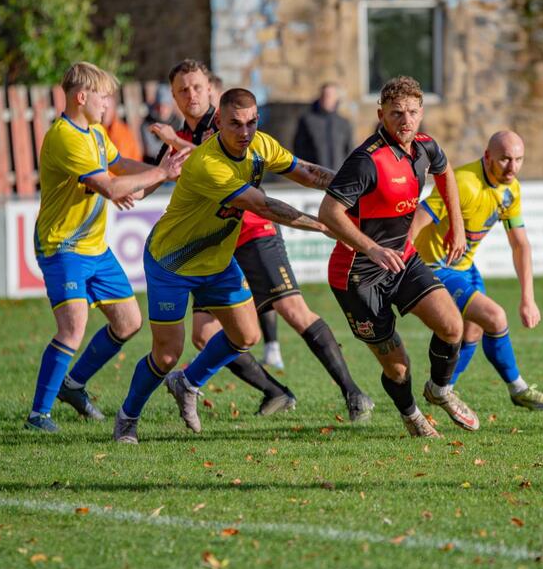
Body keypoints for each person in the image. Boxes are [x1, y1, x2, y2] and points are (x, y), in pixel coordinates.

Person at [112, 87, 341, 443]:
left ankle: (187, 383)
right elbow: (262, 205)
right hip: (172, 263)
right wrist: (322, 225)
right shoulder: (208, 164)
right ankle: (127, 417)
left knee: (247, 336)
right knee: (168, 353)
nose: (245, 132)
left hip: (217, 263)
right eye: (235, 124)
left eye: (251, 123)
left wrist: (352, 185)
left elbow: (307, 172)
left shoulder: (261, 146)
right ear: (218, 121)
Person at [148, 61, 373, 420]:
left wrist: (353, 188)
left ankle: (353, 393)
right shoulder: (180, 137)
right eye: (182, 90)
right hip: (210, 245)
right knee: (205, 337)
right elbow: (160, 177)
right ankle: (275, 391)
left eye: (196, 87)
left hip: (253, 229)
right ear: (173, 96)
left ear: (211, 89)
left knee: (292, 310)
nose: (191, 95)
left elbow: (296, 174)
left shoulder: (223, 123)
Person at [24, 62, 187, 433]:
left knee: (129, 321)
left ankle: (73, 385)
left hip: (95, 247)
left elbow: (122, 166)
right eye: (103, 95)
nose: (107, 103)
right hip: (62, 246)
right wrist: (161, 174)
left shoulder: (96, 133)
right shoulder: (64, 136)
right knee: (72, 328)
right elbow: (112, 187)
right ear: (82, 97)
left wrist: (162, 168)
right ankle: (38, 415)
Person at [318, 76, 476, 439]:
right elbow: (329, 212)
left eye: (412, 112)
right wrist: (371, 248)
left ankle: (439, 390)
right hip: (357, 275)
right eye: (397, 113)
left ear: (421, 113)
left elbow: (446, 173)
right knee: (398, 367)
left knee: (453, 326)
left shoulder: (425, 147)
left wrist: (458, 227)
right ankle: (412, 416)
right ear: (381, 114)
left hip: (402, 260)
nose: (406, 120)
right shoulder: (366, 160)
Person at [409, 130, 543, 411]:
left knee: (474, 332)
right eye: (504, 159)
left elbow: (520, 245)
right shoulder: (463, 183)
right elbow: (418, 220)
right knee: (495, 316)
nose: (512, 167)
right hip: (433, 267)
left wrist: (528, 298)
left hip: (466, 267)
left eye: (518, 160)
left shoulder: (511, 189)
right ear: (488, 156)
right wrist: (401, 262)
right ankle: (518, 389)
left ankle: (441, 390)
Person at [294, 82, 353, 171]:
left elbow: (349, 150)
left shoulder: (344, 123)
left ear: (336, 98)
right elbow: (299, 147)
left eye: (329, 96)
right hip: (314, 176)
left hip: (338, 175)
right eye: (324, 95)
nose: (326, 99)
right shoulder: (307, 120)